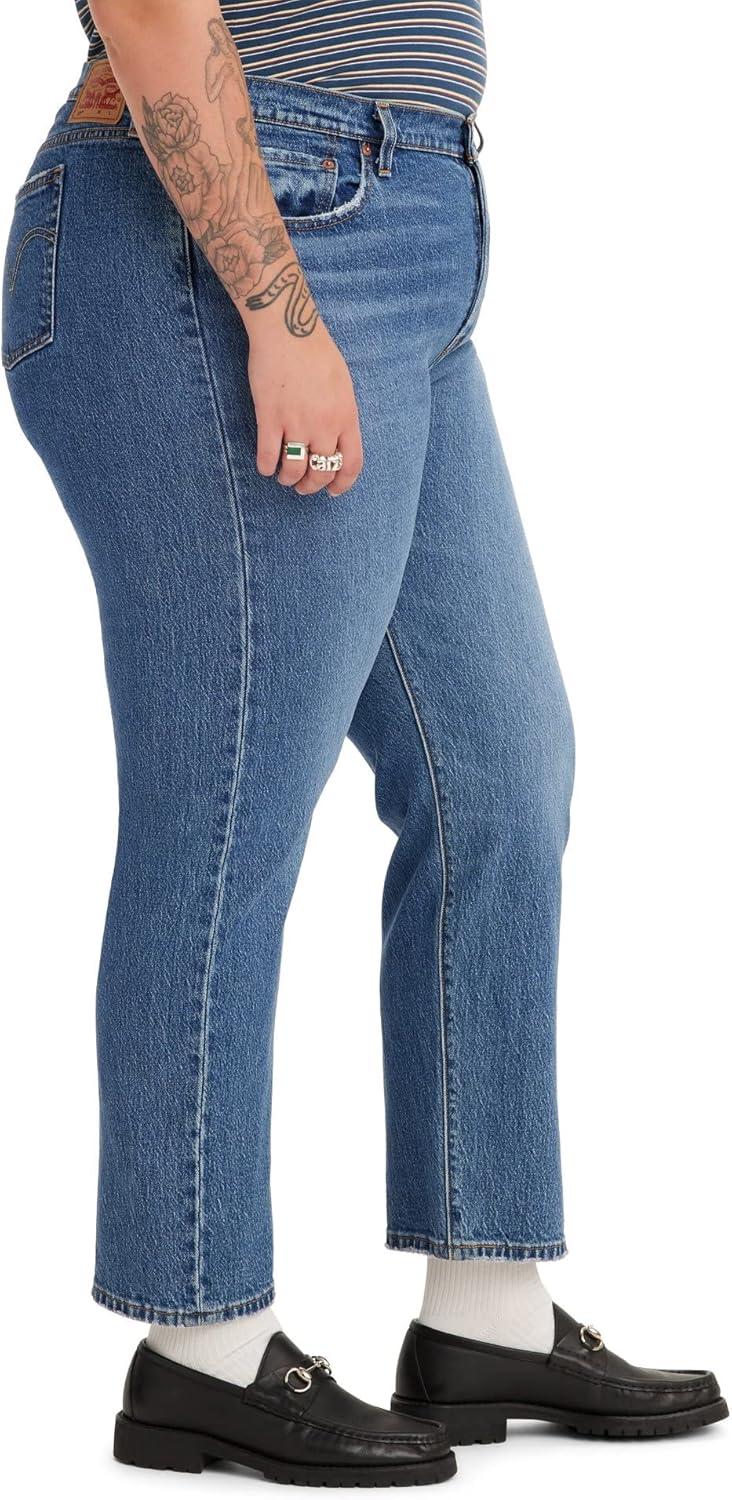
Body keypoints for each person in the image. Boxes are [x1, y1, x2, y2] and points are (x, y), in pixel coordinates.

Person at [2, 0, 726, 1484]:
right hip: (230, 228)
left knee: (501, 770)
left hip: (419, 221)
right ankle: (200, 1340)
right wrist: (277, 312)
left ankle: (487, 1312)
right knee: (228, 803)